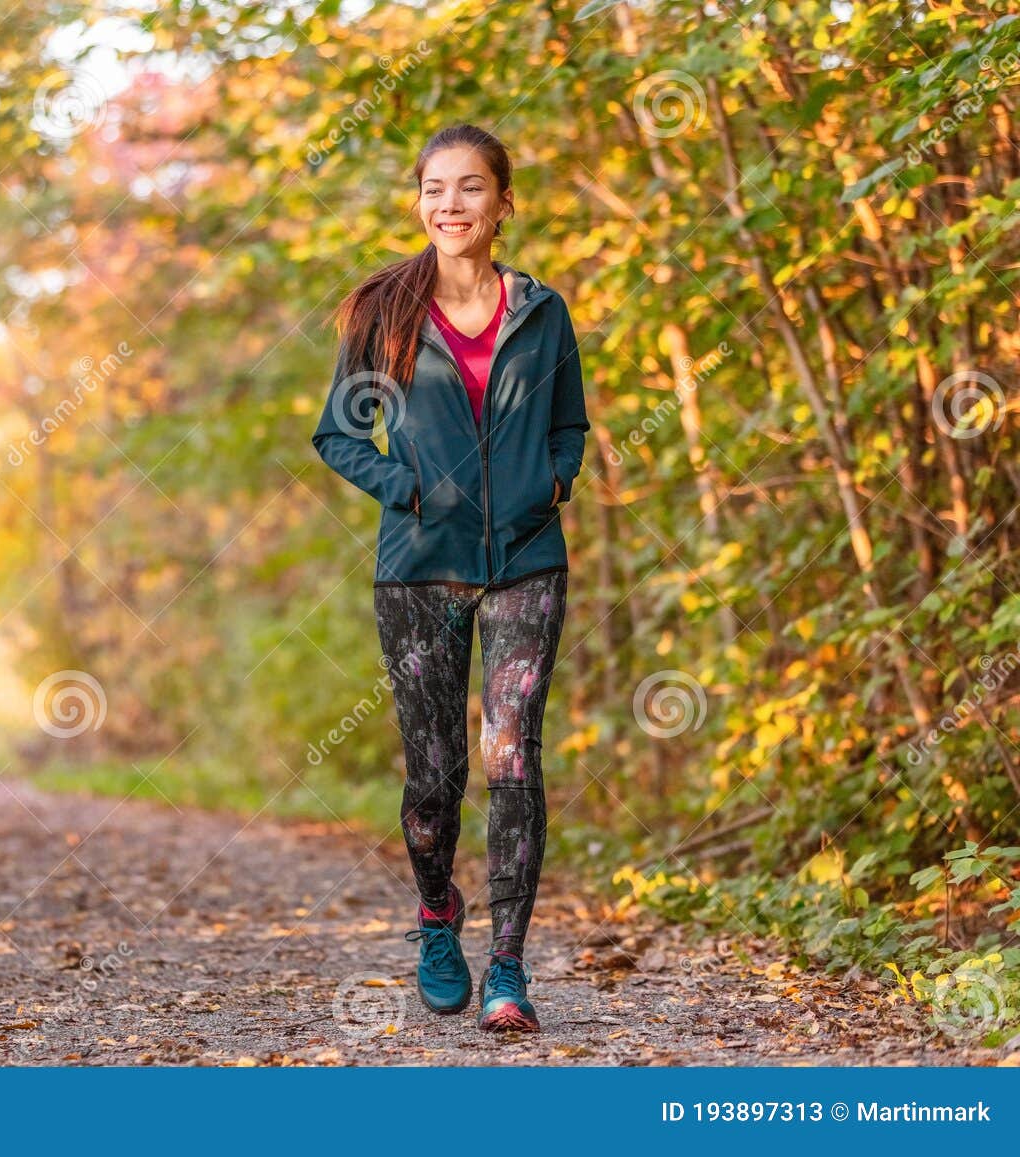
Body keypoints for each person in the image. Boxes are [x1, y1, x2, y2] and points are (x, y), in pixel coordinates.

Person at [310, 124, 590, 1033]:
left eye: (471, 188)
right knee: (436, 775)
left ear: (504, 202)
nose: (452, 205)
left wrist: (552, 480)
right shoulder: (385, 314)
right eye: (436, 189)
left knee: (512, 757)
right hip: (420, 572)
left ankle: (507, 967)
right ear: (419, 201)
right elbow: (340, 435)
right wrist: (412, 490)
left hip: (525, 561)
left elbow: (571, 426)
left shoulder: (541, 313)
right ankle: (439, 914)